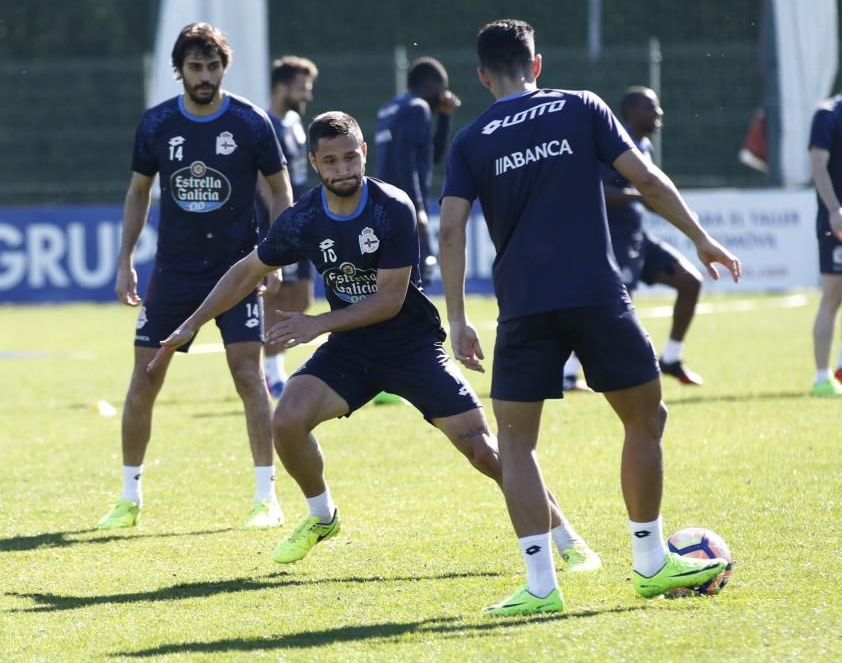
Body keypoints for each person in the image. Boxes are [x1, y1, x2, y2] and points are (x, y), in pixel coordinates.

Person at [150, 111, 601, 571]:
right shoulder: (303, 219)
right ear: (315, 163)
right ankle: (322, 516)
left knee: (484, 450)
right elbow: (247, 270)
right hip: (352, 350)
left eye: (350, 157)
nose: (343, 169)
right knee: (285, 422)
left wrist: (317, 323)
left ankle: (566, 536)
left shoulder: (392, 207)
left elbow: (389, 301)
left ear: (363, 152)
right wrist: (193, 322)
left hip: (412, 348)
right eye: (331, 161)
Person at [439, 19, 741, 615]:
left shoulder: (471, 139)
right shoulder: (580, 107)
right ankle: (651, 562)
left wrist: (456, 317)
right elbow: (648, 181)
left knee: (517, 444)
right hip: (597, 295)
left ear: (482, 76)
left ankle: (539, 587)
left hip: (523, 306)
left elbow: (450, 229)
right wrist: (701, 238)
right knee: (644, 418)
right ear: (538, 64)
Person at [96, 22, 293, 532]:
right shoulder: (157, 123)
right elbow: (139, 192)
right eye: (195, 67)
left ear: (224, 68)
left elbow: (280, 190)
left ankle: (265, 498)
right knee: (145, 377)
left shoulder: (251, 122)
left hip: (238, 271)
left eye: (212, 66)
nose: (204, 76)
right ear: (179, 70)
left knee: (249, 378)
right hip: (174, 272)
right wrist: (125, 260)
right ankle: (128, 496)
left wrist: (275, 257)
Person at [563, 86, 706, 391]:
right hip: (612, 239)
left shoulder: (645, 146)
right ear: (631, 112)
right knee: (608, 307)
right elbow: (595, 189)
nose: (659, 113)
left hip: (639, 238)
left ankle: (671, 357)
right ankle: (568, 372)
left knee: (690, 280)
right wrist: (636, 196)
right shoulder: (614, 142)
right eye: (650, 108)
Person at [256, 56, 319, 398]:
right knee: (276, 296)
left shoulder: (295, 124)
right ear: (282, 87)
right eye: (301, 88)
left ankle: (273, 367)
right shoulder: (266, 124)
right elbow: (264, 182)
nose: (307, 95)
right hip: (279, 225)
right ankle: (270, 372)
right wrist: (280, 226)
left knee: (302, 296)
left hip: (302, 223)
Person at [375, 57, 461, 289]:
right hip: (404, 209)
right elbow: (406, 160)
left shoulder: (389, 108)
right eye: (443, 87)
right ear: (431, 83)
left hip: (381, 207)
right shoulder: (417, 107)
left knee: (393, 283)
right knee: (418, 279)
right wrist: (417, 207)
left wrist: (444, 116)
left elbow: (430, 156)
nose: (445, 94)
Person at [808, 94, 842, 397]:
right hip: (838, 221)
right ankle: (822, 378)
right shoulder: (827, 113)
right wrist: (834, 209)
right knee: (833, 297)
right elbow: (818, 166)